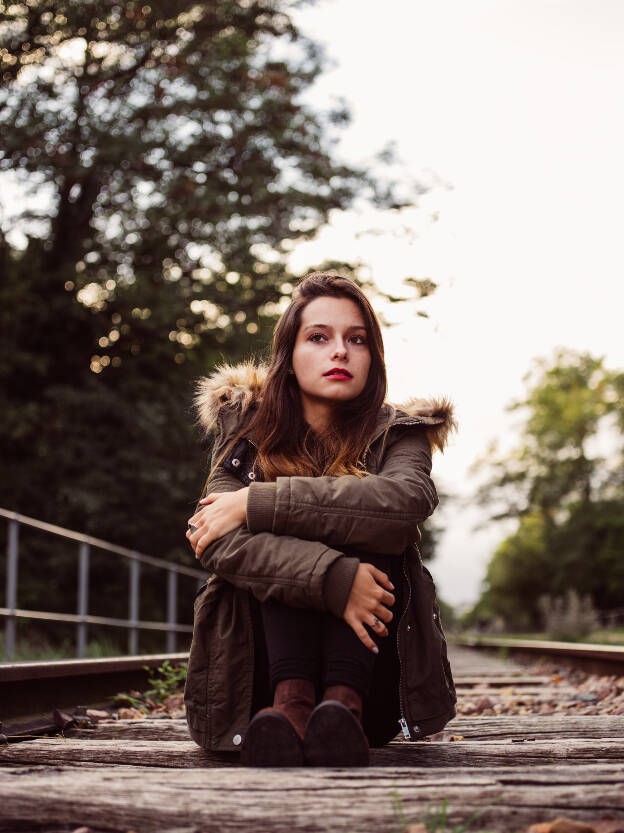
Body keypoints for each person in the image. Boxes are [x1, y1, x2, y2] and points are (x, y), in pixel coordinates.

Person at [184, 272, 457, 767]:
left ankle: (340, 707)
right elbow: (212, 537)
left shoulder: (400, 433)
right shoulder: (246, 428)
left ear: (373, 357)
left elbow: (405, 501)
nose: (340, 352)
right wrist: (333, 578)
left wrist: (256, 503)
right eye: (319, 337)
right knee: (325, 518)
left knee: (367, 513)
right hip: (256, 693)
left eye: (357, 340)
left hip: (371, 688)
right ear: (288, 355)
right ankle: (291, 705)